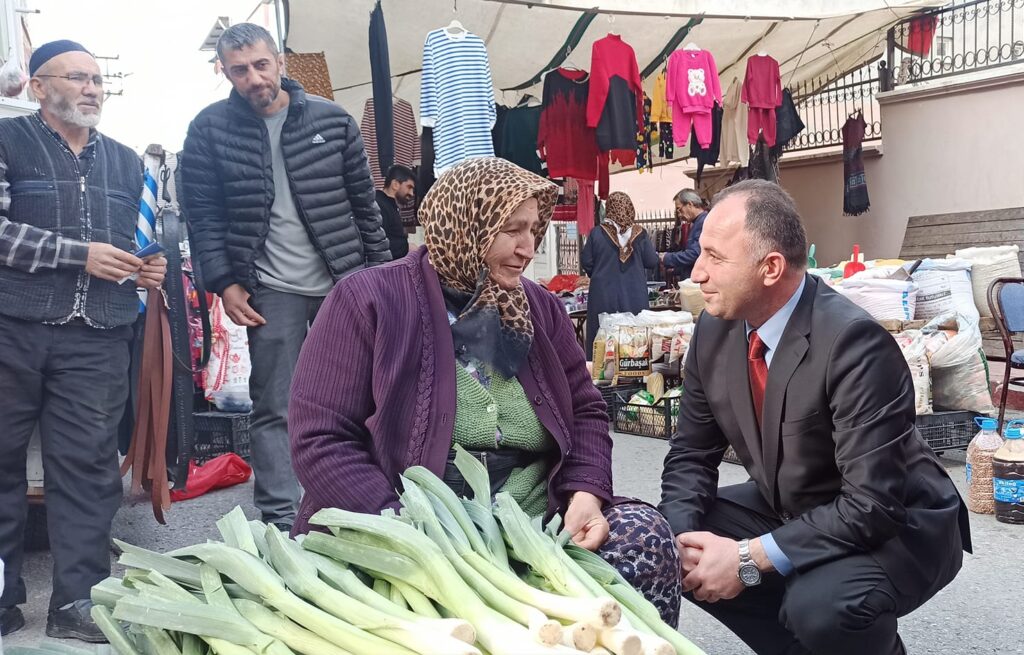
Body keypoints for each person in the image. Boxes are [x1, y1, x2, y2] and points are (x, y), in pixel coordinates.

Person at [289, 157, 682, 624]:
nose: (528, 248)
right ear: (464, 225)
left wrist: (585, 494)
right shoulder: (368, 300)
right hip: (411, 525)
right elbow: (321, 438)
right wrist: (403, 526)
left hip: (537, 518)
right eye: (511, 230)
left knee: (648, 539)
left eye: (534, 229)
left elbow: (586, 410)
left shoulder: (539, 307)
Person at [659, 179, 971, 655]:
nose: (696, 273)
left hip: (898, 523)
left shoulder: (852, 344)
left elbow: (870, 505)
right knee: (667, 546)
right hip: (798, 505)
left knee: (823, 608)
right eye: (699, 253)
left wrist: (745, 559)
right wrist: (679, 542)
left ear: (770, 267)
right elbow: (690, 455)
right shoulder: (714, 330)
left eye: (715, 258)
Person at [181, 23, 391, 532]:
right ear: (224, 73)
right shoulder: (209, 130)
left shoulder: (333, 120)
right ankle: (281, 517)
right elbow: (203, 215)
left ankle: (366, 501)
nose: (253, 77)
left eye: (260, 64)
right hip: (269, 289)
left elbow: (366, 208)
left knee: (364, 397)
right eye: (239, 70)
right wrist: (225, 283)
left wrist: (385, 280)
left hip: (345, 281)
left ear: (280, 61)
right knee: (275, 404)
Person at [0, 40, 167, 642]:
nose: (93, 88)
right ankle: (0, 596)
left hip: (97, 335)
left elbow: (139, 245)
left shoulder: (128, 162)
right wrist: (79, 255)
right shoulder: (5, 140)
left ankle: (77, 603)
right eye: (78, 78)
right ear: (40, 86)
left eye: (99, 80)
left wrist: (150, 267)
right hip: (11, 328)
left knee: (90, 473)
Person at [580, 191, 659, 359]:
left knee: (602, 338)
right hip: (634, 296)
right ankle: (634, 372)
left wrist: (600, 274)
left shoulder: (597, 233)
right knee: (636, 340)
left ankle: (600, 375)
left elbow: (586, 261)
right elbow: (652, 261)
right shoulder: (640, 234)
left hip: (603, 296)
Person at [661, 189, 706, 280]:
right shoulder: (697, 222)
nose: (679, 215)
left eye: (679, 209)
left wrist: (666, 257)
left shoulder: (703, 222)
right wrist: (676, 270)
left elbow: (694, 254)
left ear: (690, 204)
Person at [376, 164, 416, 260]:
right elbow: (378, 243)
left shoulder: (388, 204)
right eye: (409, 187)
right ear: (395, 184)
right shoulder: (379, 205)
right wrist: (407, 248)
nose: (411, 193)